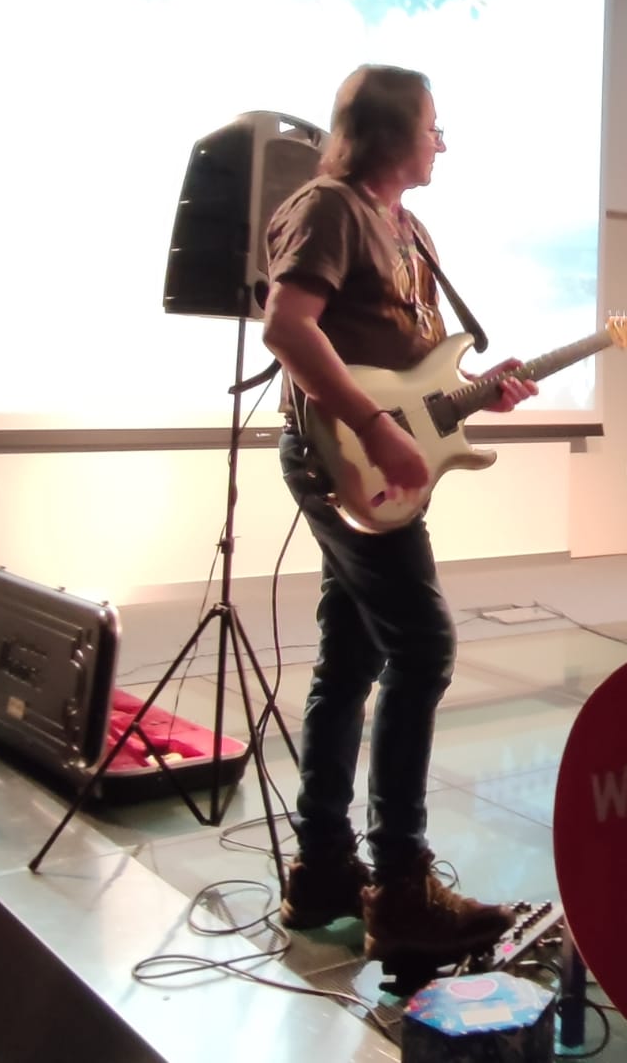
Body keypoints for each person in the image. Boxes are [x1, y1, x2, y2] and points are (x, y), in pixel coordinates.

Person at [261, 64, 535, 965]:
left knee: (350, 660)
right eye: (431, 127)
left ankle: (325, 870)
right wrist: (376, 429)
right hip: (340, 455)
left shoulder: (410, 230)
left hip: (373, 457)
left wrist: (478, 391)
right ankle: (402, 886)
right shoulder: (330, 208)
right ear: (388, 134)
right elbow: (288, 327)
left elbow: (409, 365)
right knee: (424, 648)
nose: (441, 143)